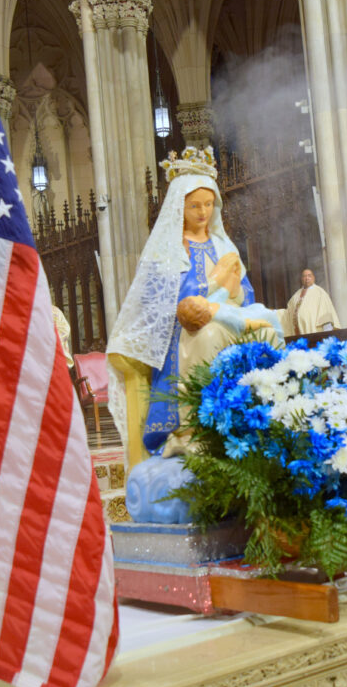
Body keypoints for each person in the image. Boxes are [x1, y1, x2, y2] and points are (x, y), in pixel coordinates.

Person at [107, 146, 270, 457]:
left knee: (267, 330)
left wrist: (234, 288)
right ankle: (194, 425)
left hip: (228, 317)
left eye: (209, 204)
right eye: (195, 205)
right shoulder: (165, 251)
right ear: (178, 207)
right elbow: (161, 303)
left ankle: (253, 419)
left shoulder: (222, 244)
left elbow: (245, 293)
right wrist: (209, 287)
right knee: (208, 336)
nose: (203, 212)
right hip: (184, 330)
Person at [282, 268, 341, 336]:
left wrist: (327, 334)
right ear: (301, 279)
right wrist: (274, 313)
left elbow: (325, 315)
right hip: (297, 334)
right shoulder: (296, 296)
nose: (307, 278)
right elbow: (287, 314)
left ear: (313, 278)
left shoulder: (320, 293)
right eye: (304, 276)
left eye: (309, 276)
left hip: (314, 333)